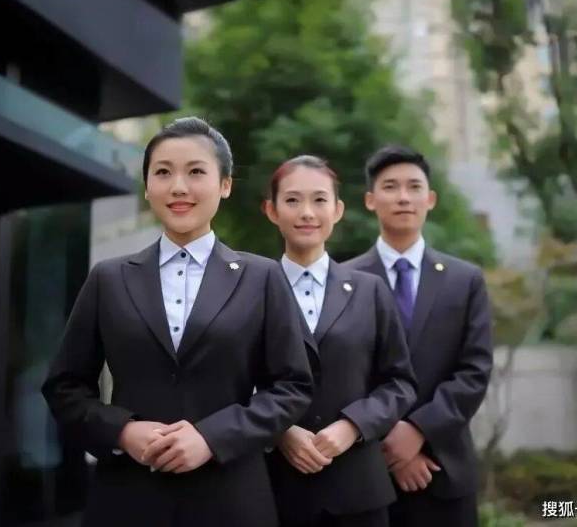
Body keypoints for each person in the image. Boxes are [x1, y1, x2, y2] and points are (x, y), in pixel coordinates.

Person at [42, 117, 313, 527]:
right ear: (147, 186)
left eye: (196, 172)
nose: (179, 187)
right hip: (128, 497)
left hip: (231, 497)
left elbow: (292, 387)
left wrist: (212, 437)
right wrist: (122, 432)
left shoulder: (263, 278)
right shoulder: (108, 278)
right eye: (163, 172)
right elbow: (64, 386)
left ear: (225, 184)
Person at [343, 145, 493, 527]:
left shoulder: (465, 280)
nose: (403, 197)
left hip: (445, 470)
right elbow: (342, 375)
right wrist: (390, 443)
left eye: (414, 187)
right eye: (390, 186)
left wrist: (418, 430)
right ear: (370, 200)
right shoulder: (344, 281)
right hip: (367, 472)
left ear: (431, 199)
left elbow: (474, 371)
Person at [263, 155, 417, 527]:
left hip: (357, 489)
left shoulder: (370, 291)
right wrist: (280, 431)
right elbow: (234, 380)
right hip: (273, 488)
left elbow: (399, 383)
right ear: (272, 210)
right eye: (292, 200)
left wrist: (352, 426)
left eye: (319, 200)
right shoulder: (251, 288)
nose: (307, 212)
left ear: (338, 210)